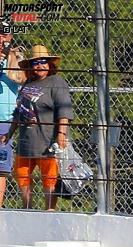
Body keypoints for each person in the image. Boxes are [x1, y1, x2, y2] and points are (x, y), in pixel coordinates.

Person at [0, 44, 73, 211]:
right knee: (22, 176)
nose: (39, 65)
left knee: (49, 178)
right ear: (31, 67)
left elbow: (64, 110)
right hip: (26, 141)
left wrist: (61, 133)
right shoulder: (28, 83)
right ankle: (27, 209)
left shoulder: (56, 82)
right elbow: (19, 112)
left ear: (49, 64)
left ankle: (49, 210)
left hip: (47, 141)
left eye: (43, 62)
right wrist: (9, 134)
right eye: (35, 63)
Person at [0, 21, 25, 207]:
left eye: (5, 34)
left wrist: (9, 58)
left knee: (1, 170)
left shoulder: (15, 57)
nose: (2, 38)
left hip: (4, 120)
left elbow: (21, 78)